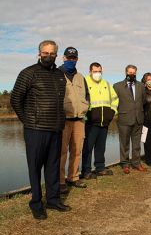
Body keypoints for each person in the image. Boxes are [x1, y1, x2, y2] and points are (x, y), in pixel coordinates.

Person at [10, 40, 71, 220]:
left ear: (56, 55)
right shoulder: (28, 73)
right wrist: (27, 120)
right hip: (35, 129)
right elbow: (15, 99)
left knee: (53, 166)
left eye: (52, 53)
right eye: (45, 53)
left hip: (55, 128)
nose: (48, 56)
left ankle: (53, 199)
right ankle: (36, 203)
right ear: (39, 53)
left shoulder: (60, 75)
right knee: (35, 168)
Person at [58, 47, 89, 194]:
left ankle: (73, 177)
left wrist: (85, 108)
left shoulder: (81, 77)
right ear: (63, 58)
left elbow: (87, 96)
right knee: (61, 151)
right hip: (63, 120)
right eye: (69, 58)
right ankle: (60, 181)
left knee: (77, 150)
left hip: (79, 120)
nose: (71, 60)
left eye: (74, 58)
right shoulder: (56, 74)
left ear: (77, 59)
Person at [81, 62, 119, 179]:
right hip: (90, 122)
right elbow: (81, 100)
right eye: (95, 71)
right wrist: (86, 114)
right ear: (90, 72)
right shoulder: (84, 82)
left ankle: (100, 168)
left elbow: (115, 99)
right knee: (88, 147)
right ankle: (86, 171)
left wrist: (112, 112)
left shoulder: (106, 84)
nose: (97, 73)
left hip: (104, 121)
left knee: (101, 147)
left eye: (99, 71)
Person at [113, 65, 146, 174]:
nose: (132, 74)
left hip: (138, 119)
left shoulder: (141, 86)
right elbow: (114, 103)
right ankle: (125, 164)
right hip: (124, 119)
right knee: (124, 143)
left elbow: (144, 101)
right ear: (126, 72)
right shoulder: (117, 86)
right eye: (130, 72)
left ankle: (136, 163)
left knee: (137, 144)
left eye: (134, 73)